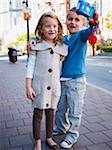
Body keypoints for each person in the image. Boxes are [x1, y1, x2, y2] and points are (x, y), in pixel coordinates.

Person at [53, 7, 99, 149]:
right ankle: (61, 128)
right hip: (62, 80)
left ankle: (72, 135)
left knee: (74, 111)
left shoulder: (81, 36)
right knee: (60, 109)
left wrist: (94, 22)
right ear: (66, 21)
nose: (73, 22)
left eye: (77, 20)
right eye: (70, 18)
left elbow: (92, 30)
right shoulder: (64, 39)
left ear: (82, 23)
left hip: (76, 82)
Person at [26, 12, 68, 150]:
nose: (52, 29)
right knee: (38, 114)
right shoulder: (36, 46)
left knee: (51, 113)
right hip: (39, 86)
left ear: (59, 28)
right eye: (48, 26)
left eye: (55, 26)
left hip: (54, 86)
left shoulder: (61, 47)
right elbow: (30, 66)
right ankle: (37, 140)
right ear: (41, 28)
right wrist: (28, 86)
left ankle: (49, 138)